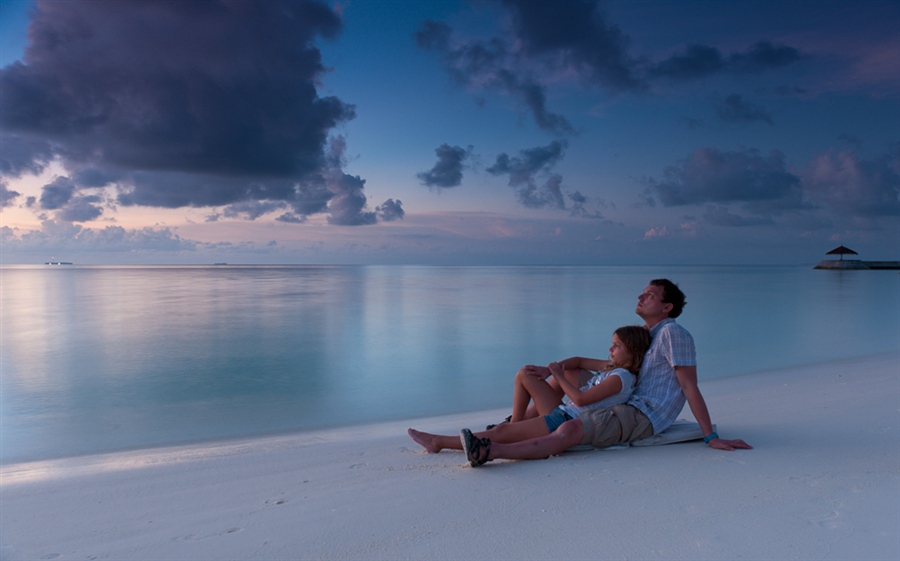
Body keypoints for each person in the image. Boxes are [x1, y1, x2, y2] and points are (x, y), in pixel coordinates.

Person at [420, 279, 752, 467]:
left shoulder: (672, 334)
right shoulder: (646, 335)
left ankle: (498, 439)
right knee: (571, 372)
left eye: (650, 295)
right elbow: (586, 362)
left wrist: (710, 437)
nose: (641, 295)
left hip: (642, 413)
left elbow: (689, 387)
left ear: (666, 307)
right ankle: (516, 425)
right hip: (627, 398)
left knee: (567, 428)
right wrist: (551, 370)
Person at [407, 326, 651, 455]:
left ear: (632, 352)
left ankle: (438, 442)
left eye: (617, 346)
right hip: (564, 412)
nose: (610, 349)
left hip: (566, 419)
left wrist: (557, 374)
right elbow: (577, 360)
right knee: (526, 374)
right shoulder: (612, 367)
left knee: (502, 432)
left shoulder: (622, 377)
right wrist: (547, 371)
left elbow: (579, 398)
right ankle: (516, 422)